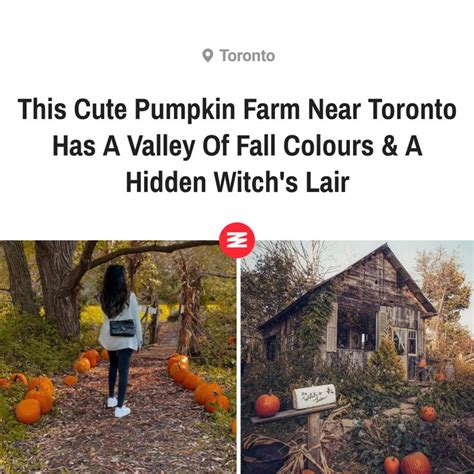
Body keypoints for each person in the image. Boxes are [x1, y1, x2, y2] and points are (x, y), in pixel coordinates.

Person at [99, 265, 143, 418]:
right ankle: (120, 407)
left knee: (113, 366)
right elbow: (136, 320)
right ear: (121, 278)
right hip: (126, 337)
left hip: (110, 337)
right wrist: (140, 340)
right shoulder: (129, 296)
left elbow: (106, 319)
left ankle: (111, 398)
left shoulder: (103, 296)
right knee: (123, 370)